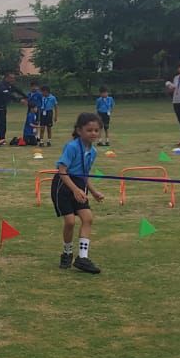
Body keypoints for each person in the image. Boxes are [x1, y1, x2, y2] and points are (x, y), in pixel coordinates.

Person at [51, 113, 106, 274]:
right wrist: (74, 189)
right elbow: (62, 171)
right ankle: (67, 252)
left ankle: (82, 258)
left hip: (80, 187)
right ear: (79, 130)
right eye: (89, 130)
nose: (93, 133)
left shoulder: (93, 151)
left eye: (96, 130)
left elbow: (84, 174)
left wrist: (94, 192)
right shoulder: (72, 147)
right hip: (64, 186)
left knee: (88, 218)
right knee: (70, 222)